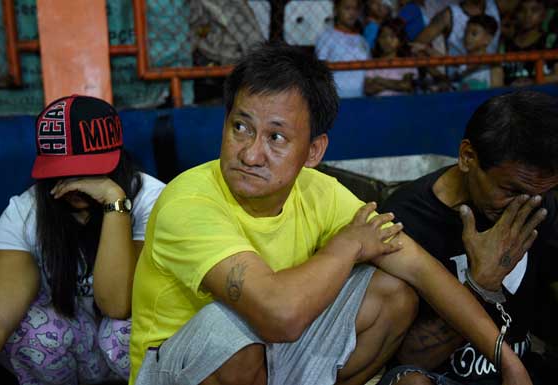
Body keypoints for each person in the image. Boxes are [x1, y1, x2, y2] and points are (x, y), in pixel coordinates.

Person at [129, 43, 531, 385]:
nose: (251, 153)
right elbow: (278, 317)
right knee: (230, 331)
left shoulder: (318, 191)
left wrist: (506, 359)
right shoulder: (189, 201)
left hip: (268, 355)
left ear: (315, 152)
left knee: (393, 291)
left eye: (276, 137)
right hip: (178, 369)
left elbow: (421, 270)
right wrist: (348, 246)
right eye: (240, 127)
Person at [378, 90, 558, 385]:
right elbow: (409, 358)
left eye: (541, 193)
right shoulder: (406, 220)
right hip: (444, 376)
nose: (522, 206)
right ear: (467, 157)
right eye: (510, 191)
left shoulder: (538, 204)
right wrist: (480, 284)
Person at [0, 95, 165, 385]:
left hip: (130, 352)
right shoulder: (25, 212)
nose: (74, 180)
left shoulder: (152, 200)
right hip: (72, 348)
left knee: (122, 329)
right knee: (31, 332)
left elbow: (117, 305)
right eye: (62, 169)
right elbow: (1, 315)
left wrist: (115, 203)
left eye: (88, 166)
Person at [315, 0, 370, 98]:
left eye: (355, 9)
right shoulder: (327, 37)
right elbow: (320, 70)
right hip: (336, 97)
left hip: (360, 97)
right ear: (336, 10)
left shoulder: (362, 40)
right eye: (347, 8)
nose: (352, 13)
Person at [501, 0, 558, 86]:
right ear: (516, 14)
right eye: (522, 10)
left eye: (534, 10)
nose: (527, 15)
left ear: (544, 14)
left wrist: (533, 82)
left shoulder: (551, 41)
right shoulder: (505, 45)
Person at [365, 17, 419, 96]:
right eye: (383, 36)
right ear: (378, 40)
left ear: (400, 40)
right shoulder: (373, 63)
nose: (387, 41)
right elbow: (368, 89)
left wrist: (380, 80)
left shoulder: (406, 62)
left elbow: (406, 85)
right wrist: (396, 85)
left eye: (392, 36)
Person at [456, 14, 503, 90]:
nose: (468, 37)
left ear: (487, 39)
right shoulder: (461, 64)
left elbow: (496, 96)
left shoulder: (494, 67)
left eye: (474, 34)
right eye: (466, 32)